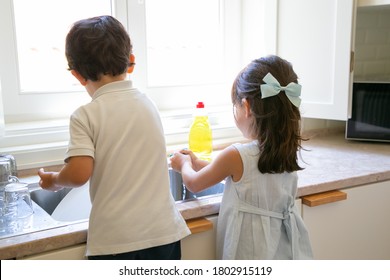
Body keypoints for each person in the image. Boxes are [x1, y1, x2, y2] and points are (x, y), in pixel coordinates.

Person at [38, 15, 190, 260]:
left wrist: (54, 180)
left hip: (118, 241)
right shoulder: (148, 104)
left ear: (77, 75)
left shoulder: (85, 115)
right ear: (131, 63)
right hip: (165, 233)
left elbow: (78, 174)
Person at [170, 55, 313, 259]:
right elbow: (236, 172)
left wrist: (184, 164)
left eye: (234, 106)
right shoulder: (285, 148)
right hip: (284, 247)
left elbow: (194, 183)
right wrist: (197, 162)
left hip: (252, 250)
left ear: (246, 107)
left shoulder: (237, 154)